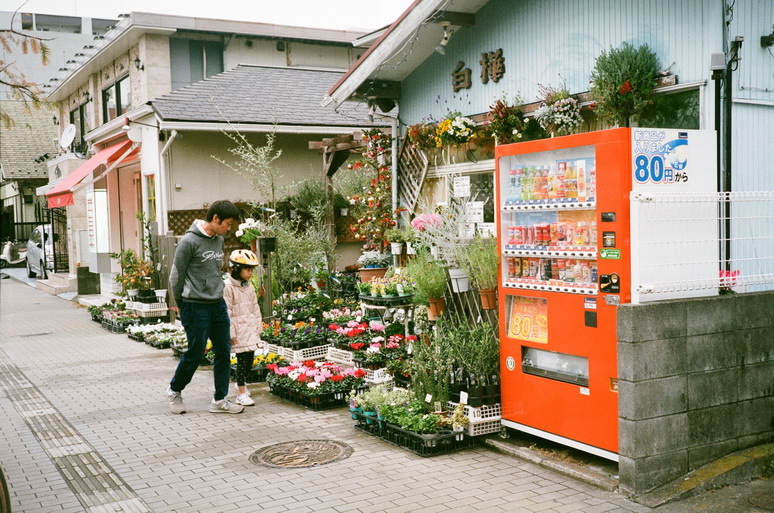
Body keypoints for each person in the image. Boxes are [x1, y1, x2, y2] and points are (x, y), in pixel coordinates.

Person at [165, 200, 244, 414]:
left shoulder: (218, 240)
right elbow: (176, 276)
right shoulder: (188, 242)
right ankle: (175, 390)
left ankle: (220, 400)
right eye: (227, 223)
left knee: (224, 352)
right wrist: (180, 304)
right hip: (194, 305)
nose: (230, 229)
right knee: (196, 352)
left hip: (217, 304)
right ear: (215, 218)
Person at [223, 249, 263, 407]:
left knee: (250, 360)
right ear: (237, 269)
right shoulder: (228, 288)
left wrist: (258, 326)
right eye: (247, 269)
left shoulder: (249, 286)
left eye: (252, 269)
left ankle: (242, 384)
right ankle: (240, 393)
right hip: (238, 331)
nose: (250, 272)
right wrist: (231, 333)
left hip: (249, 329)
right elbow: (227, 311)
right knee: (241, 361)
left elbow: (255, 307)